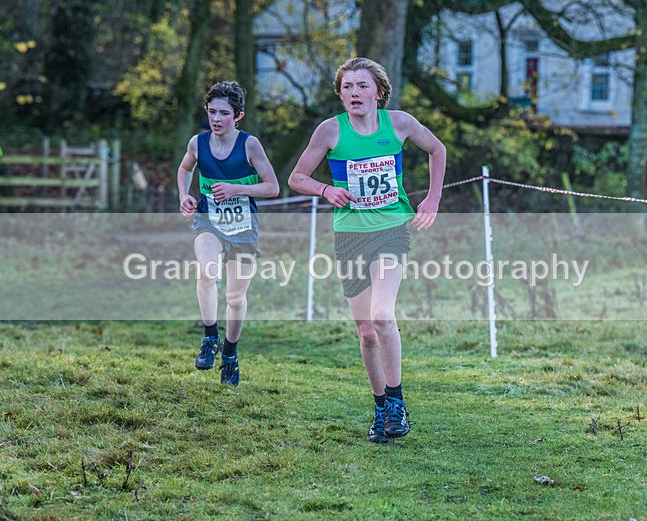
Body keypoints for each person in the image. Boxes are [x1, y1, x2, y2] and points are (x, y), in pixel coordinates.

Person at [288, 58, 446, 442]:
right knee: (366, 332)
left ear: (379, 91)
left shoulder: (399, 123)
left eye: (361, 86)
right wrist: (325, 190)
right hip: (350, 236)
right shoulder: (329, 131)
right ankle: (380, 409)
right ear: (340, 94)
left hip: (392, 230)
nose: (354, 93)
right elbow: (295, 177)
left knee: (381, 315)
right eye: (347, 87)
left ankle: (397, 403)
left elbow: (436, 149)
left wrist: (432, 200)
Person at [177, 81, 279, 385]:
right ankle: (210, 339)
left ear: (238, 115)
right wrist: (184, 195)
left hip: (243, 228)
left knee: (235, 297)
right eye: (212, 112)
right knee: (207, 272)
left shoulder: (249, 145)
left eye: (223, 113)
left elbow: (273, 187)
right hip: (208, 220)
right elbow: (185, 169)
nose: (216, 118)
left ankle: (230, 354)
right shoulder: (198, 143)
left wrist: (237, 188)